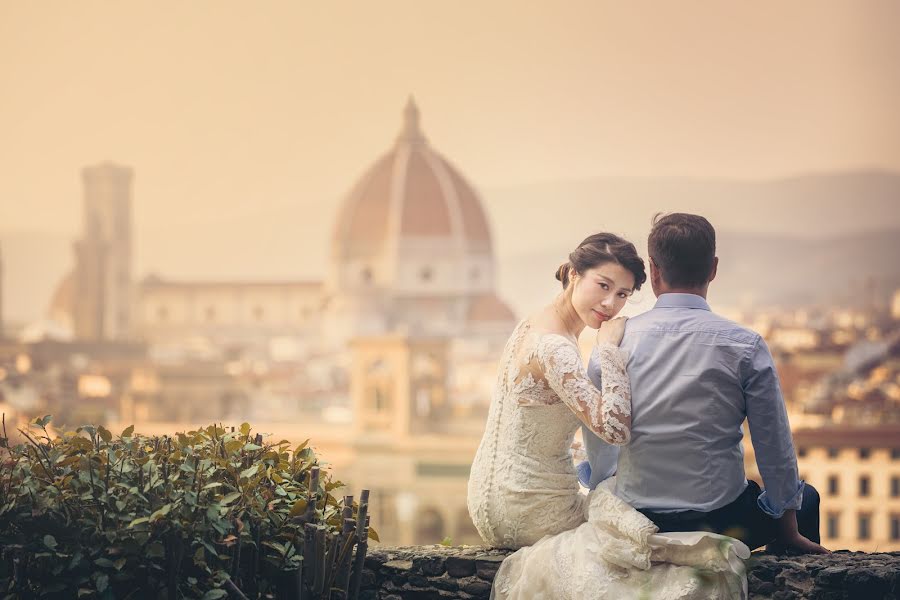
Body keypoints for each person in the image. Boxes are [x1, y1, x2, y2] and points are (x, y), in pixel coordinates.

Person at [467, 232, 751, 600]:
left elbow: (537, 425)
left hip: (488, 501)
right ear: (573, 274)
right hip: (530, 511)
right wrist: (608, 350)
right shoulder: (556, 346)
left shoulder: (531, 323)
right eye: (603, 285)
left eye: (622, 294)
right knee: (631, 517)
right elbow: (615, 430)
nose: (609, 303)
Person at [579, 213, 829, 554]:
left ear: (653, 270)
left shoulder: (614, 343)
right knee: (808, 498)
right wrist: (787, 531)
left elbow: (601, 446)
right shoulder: (745, 345)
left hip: (639, 517)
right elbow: (775, 447)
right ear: (713, 268)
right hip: (721, 519)